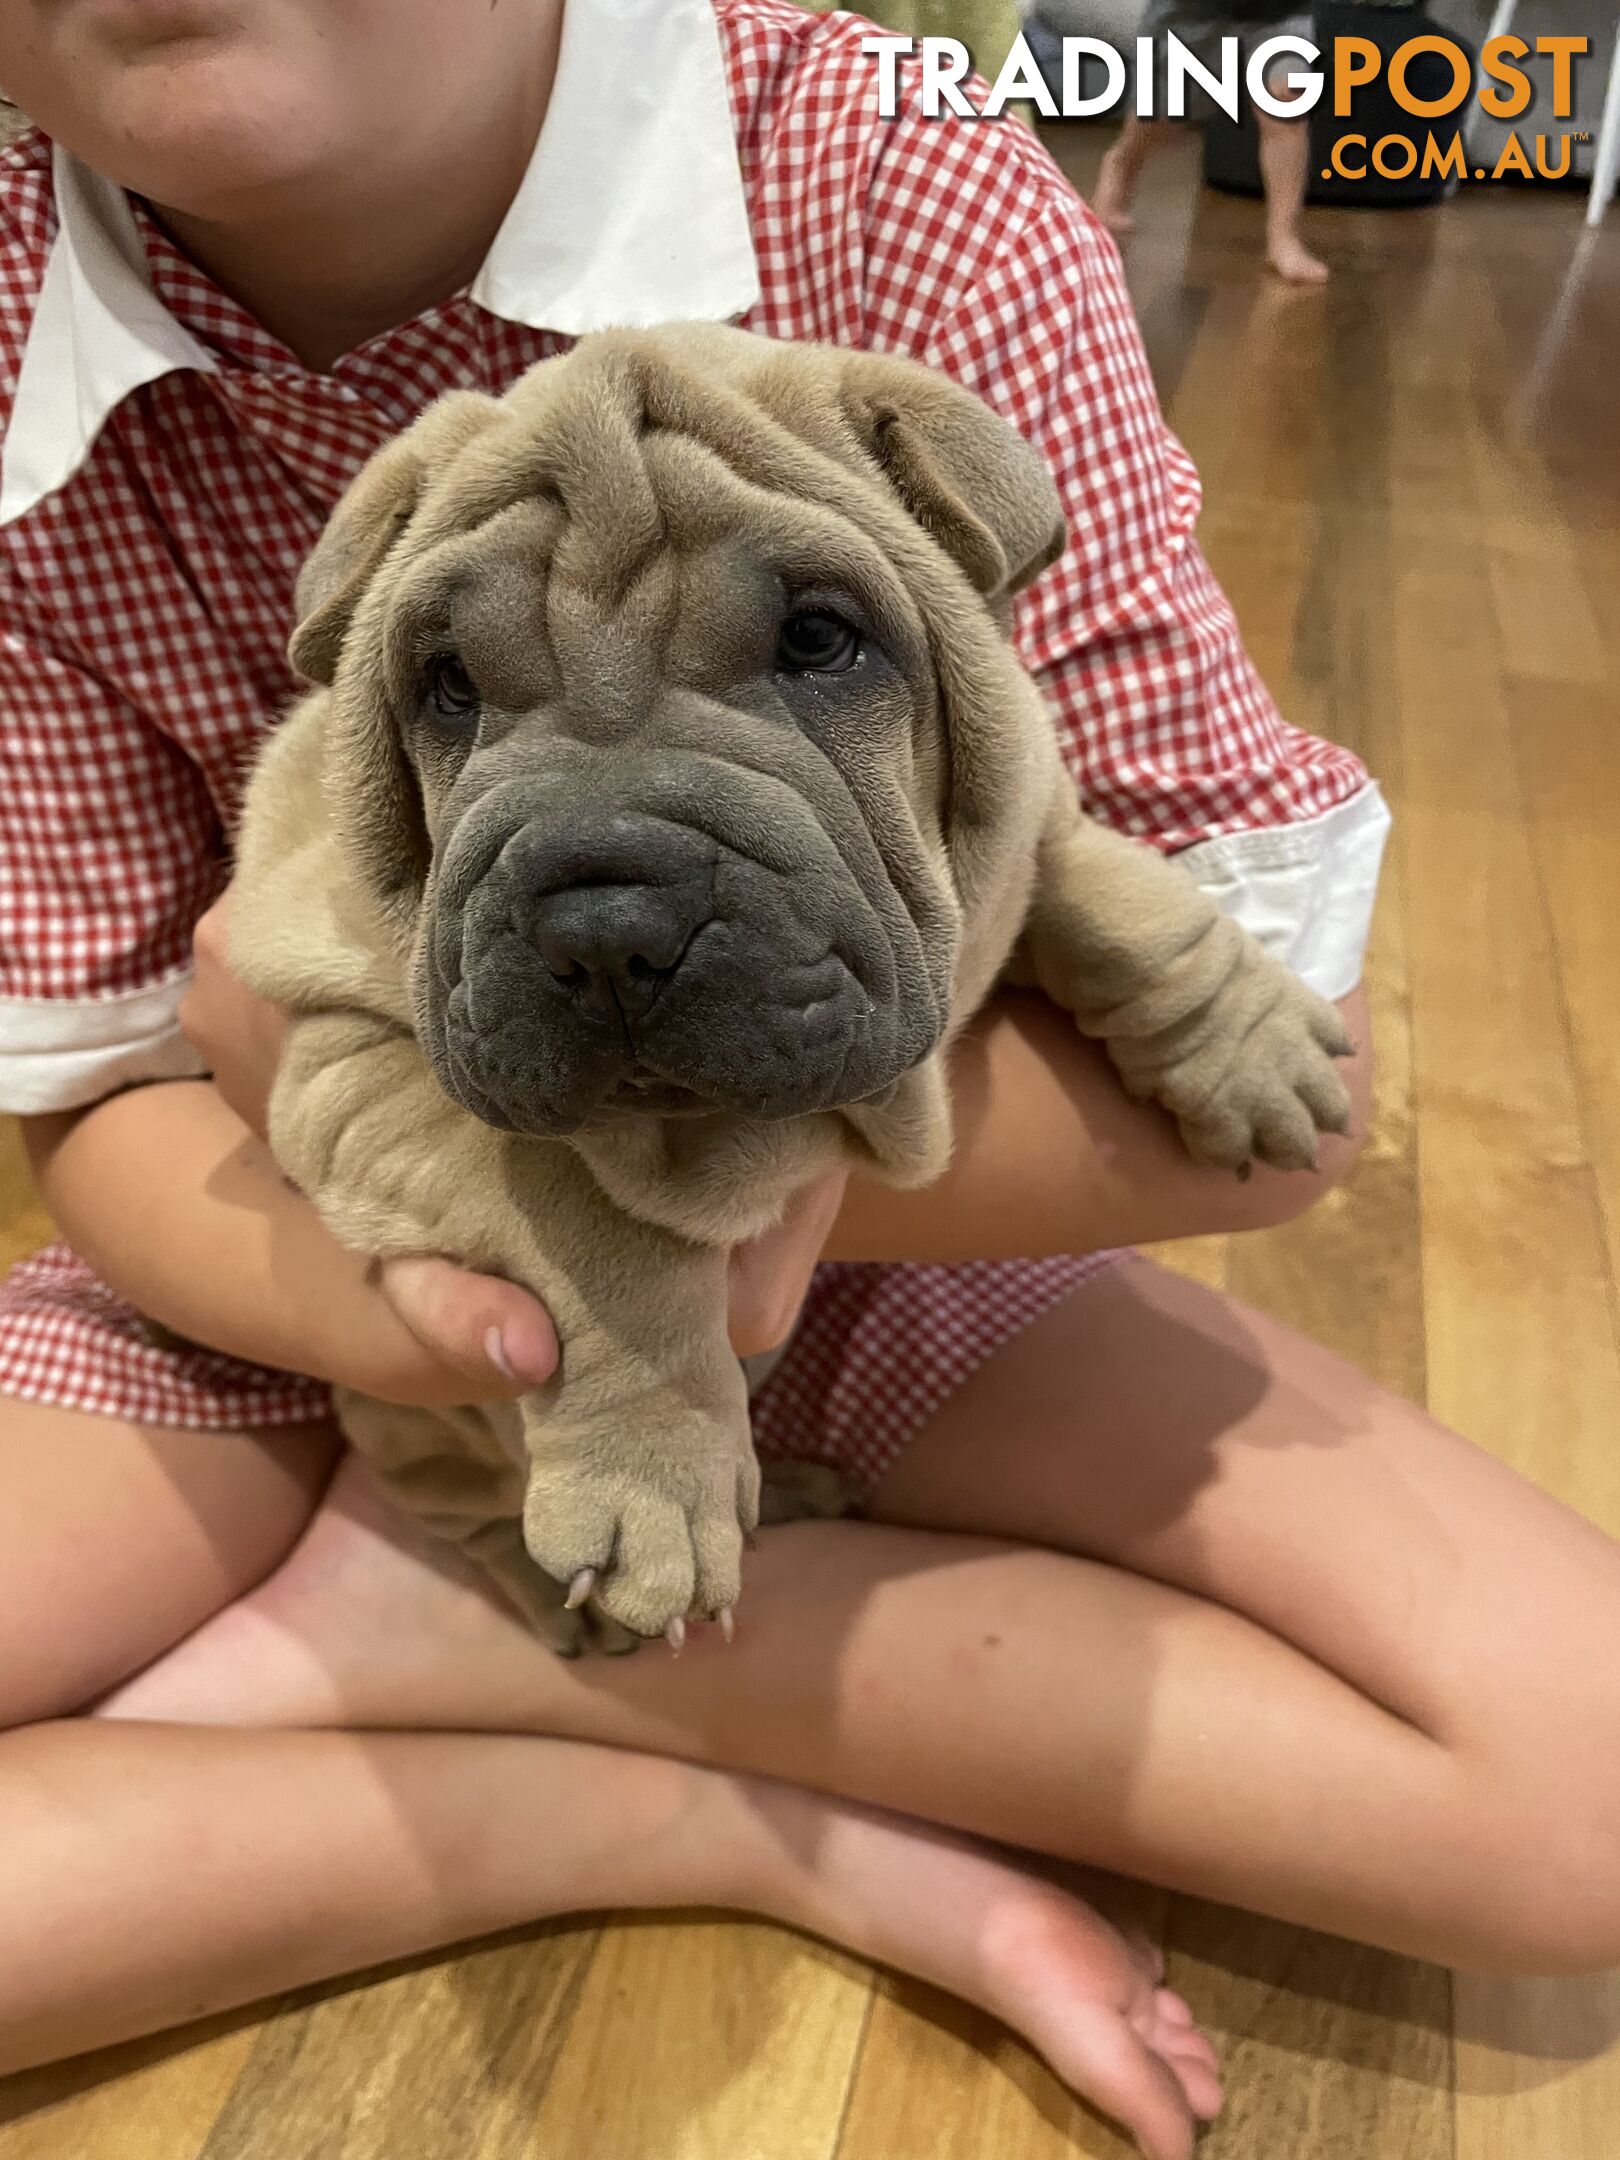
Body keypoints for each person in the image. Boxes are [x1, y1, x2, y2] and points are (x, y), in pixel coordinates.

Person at [0, 5, 1617, 2158]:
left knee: (1575, 1779)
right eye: (468, 687)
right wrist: (468, 1335)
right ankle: (677, 1811)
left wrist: (696, 1300)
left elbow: (1256, 1050)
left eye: (815, 648)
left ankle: (468, 1632)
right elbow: (113, 1085)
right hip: (286, 1232)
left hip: (876, 1230)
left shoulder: (891, 175)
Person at [1091, 3, 1332, 283]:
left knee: (1284, 100)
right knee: (1158, 117)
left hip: (1281, 12)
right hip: (1190, 13)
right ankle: (1122, 163)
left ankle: (1284, 237)